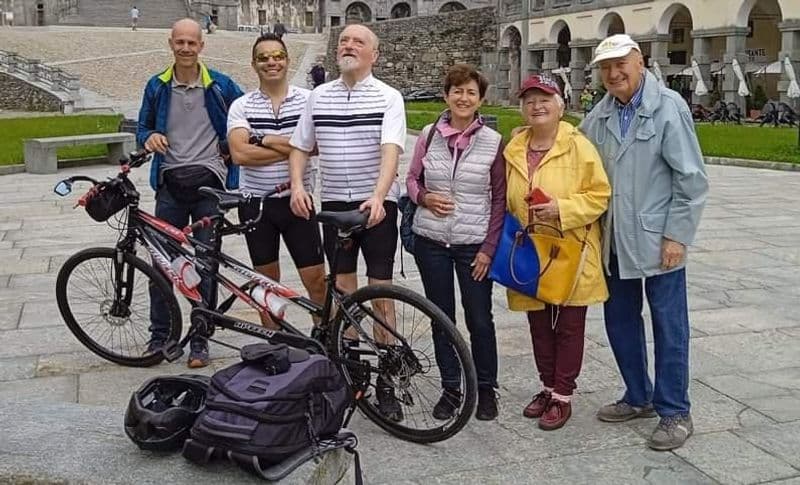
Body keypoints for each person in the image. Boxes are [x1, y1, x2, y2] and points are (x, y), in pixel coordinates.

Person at [580, 34, 708, 451]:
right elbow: (574, 161)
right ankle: (639, 396)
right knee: (619, 321)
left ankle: (675, 411)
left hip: (658, 240)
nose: (614, 73)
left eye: (621, 64)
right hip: (614, 239)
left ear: (639, 61)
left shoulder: (668, 107)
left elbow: (691, 180)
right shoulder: (598, 116)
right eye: (606, 67)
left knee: (670, 326)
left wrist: (677, 236)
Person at [288, 23, 406, 422]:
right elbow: (301, 146)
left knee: (380, 291)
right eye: (343, 42)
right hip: (335, 201)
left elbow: (391, 151)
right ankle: (352, 370)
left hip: (375, 204)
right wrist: (297, 186)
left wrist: (378, 194)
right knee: (341, 288)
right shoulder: (319, 96)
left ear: (375, 54)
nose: (348, 46)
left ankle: (388, 377)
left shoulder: (389, 97)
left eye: (358, 42)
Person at [504, 74, 610, 430]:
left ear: (560, 105)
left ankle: (563, 394)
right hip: (531, 251)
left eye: (545, 98)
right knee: (538, 323)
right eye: (530, 100)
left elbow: (599, 195)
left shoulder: (578, 146)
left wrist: (561, 209)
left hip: (569, 249)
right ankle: (547, 386)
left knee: (567, 325)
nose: (537, 106)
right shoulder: (513, 148)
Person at [136, 18, 244, 369]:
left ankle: (200, 336)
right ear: (171, 44)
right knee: (161, 263)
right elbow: (143, 127)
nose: (185, 48)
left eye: (191, 43)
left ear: (201, 46)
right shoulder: (157, 86)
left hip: (208, 183)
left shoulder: (221, 86)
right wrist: (148, 138)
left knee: (205, 262)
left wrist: (232, 145)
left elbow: (245, 116)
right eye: (179, 42)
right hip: (170, 181)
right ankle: (161, 336)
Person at [406, 64, 506, 421]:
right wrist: (424, 199)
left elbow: (500, 199)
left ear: (480, 99)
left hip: (472, 244)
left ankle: (486, 387)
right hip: (431, 240)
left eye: (471, 93)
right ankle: (451, 387)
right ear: (446, 94)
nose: (464, 98)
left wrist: (488, 249)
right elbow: (412, 181)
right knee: (440, 316)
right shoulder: (430, 134)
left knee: (480, 317)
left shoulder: (494, 142)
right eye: (457, 91)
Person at [226, 33, 325, 329]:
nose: (271, 62)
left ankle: (324, 341)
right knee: (265, 283)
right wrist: (296, 147)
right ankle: (275, 345)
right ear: (254, 64)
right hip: (257, 204)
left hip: (298, 201)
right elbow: (240, 153)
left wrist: (265, 138)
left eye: (277, 56)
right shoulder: (241, 105)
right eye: (264, 57)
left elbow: (317, 147)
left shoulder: (308, 101)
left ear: (287, 60)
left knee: (316, 280)